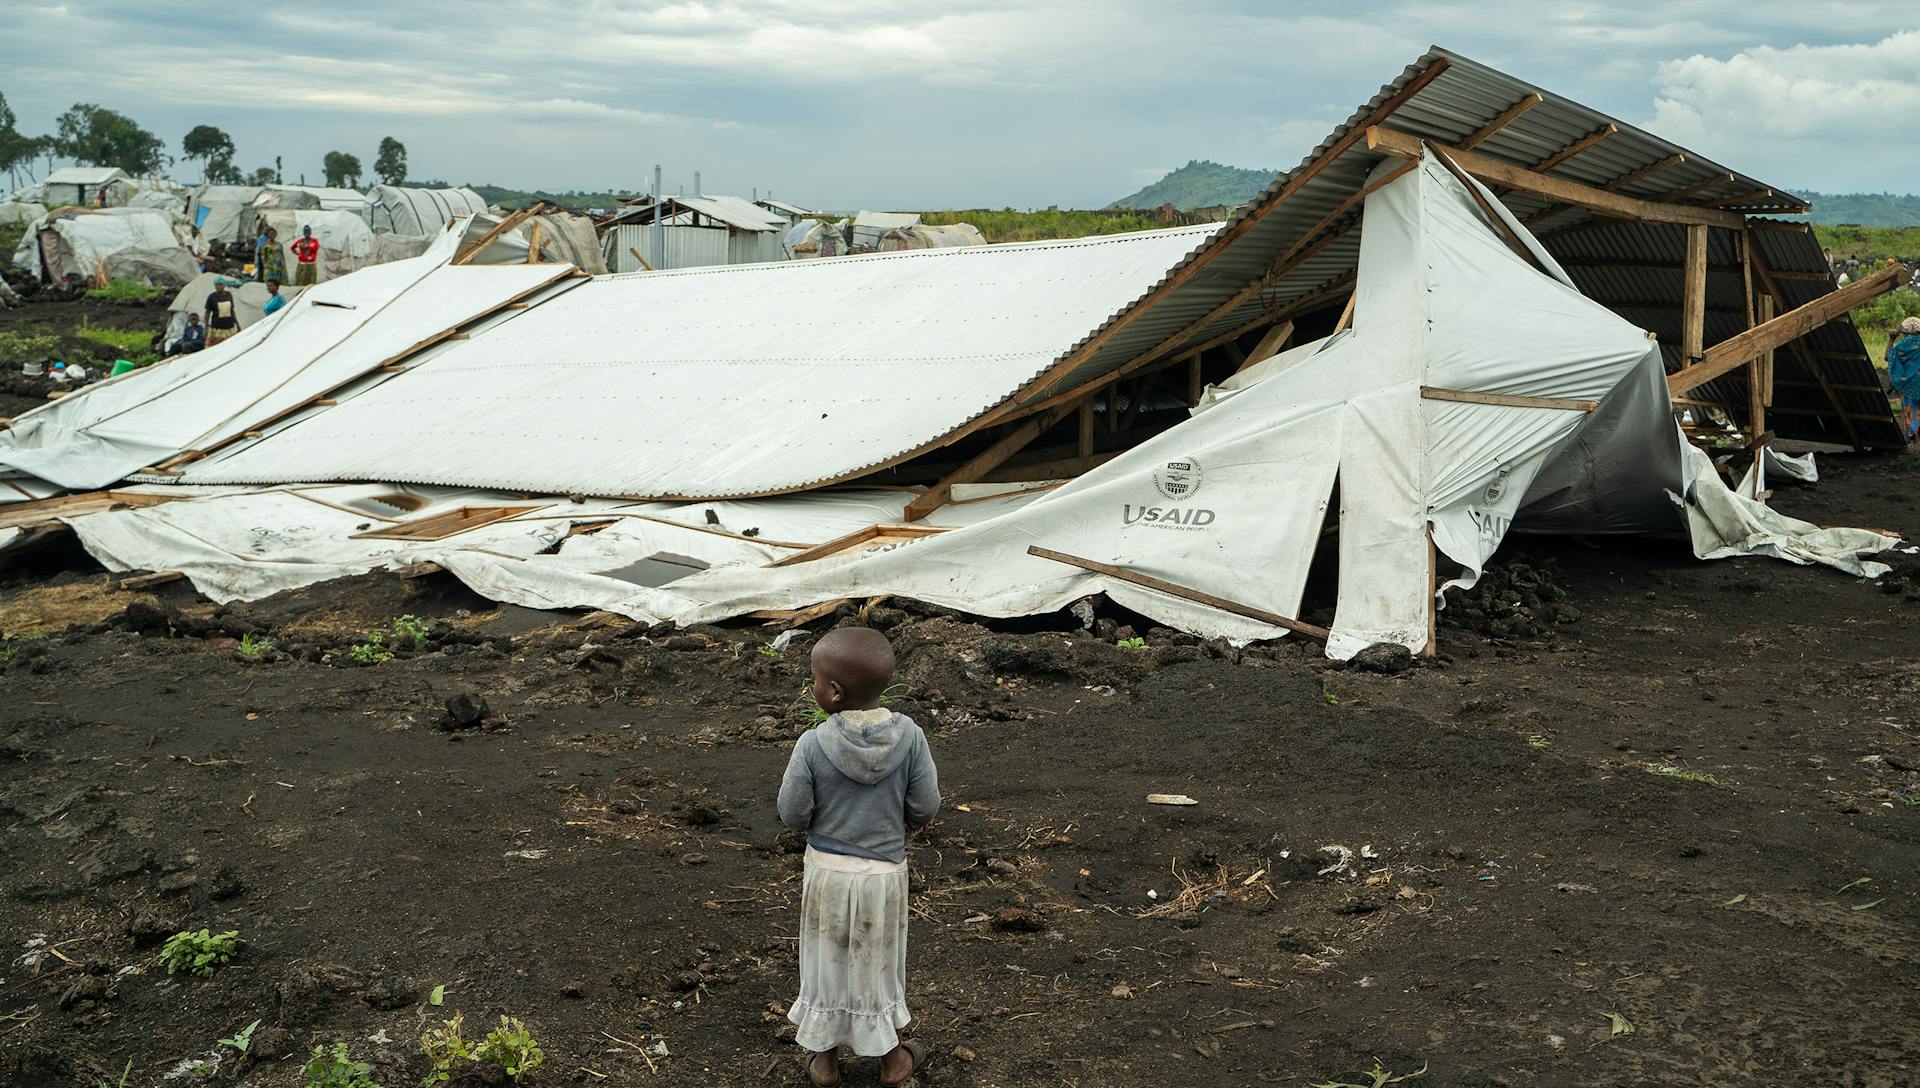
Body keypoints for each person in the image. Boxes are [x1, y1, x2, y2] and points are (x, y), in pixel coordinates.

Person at [778, 627, 938, 1088]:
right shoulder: (910, 737)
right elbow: (925, 808)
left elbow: (792, 813)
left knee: (827, 962)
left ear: (832, 692)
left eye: (813, 679)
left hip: (828, 872)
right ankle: (893, 1062)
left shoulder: (812, 744)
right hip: (884, 874)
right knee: (878, 965)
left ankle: (824, 1064)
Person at [1889, 316, 1920, 440]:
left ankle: (1912, 432)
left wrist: (1891, 340)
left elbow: (1888, 356)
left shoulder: (1902, 345)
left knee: (1908, 406)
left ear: (1905, 333)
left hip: (1909, 385)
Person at [205, 280, 240, 345]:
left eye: (220, 284)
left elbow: (231, 310)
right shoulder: (211, 297)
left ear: (224, 285)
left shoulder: (228, 295)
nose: (219, 286)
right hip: (217, 329)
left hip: (229, 327)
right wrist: (206, 327)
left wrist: (237, 324)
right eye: (217, 285)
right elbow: (207, 313)